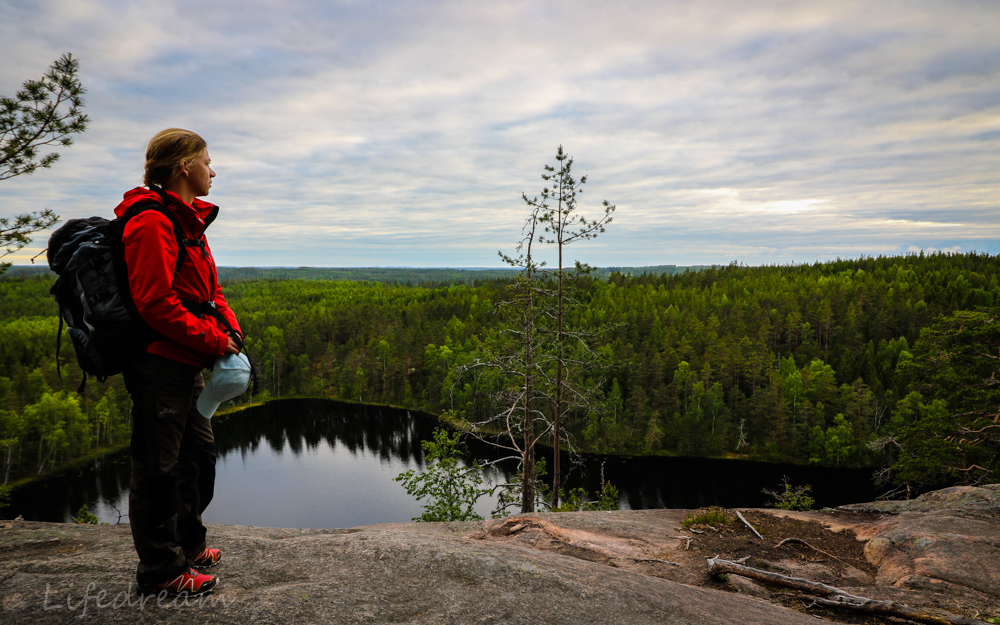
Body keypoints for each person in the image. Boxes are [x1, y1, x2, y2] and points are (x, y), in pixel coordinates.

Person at [118, 128, 243, 598]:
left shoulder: (188, 221)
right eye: (208, 162)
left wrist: (228, 329)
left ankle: (189, 544)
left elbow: (210, 293)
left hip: (188, 365)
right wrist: (214, 342)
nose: (213, 172)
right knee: (159, 470)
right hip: (160, 367)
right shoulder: (151, 222)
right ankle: (159, 571)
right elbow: (155, 303)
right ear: (184, 167)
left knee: (197, 460)